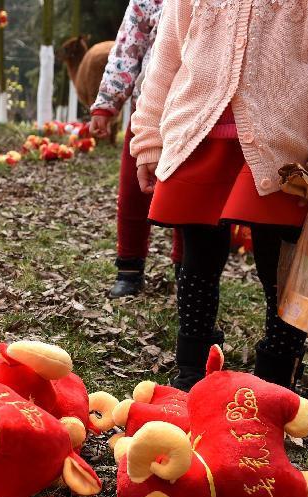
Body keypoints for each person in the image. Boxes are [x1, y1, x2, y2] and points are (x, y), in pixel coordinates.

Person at [130, 0, 308, 390]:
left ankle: (278, 367)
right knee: (198, 254)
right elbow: (166, 59)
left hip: (282, 146)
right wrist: (149, 136)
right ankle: (193, 362)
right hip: (196, 137)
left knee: (279, 262)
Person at [90, 0, 182, 298]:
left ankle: (188, 270)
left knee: (191, 194)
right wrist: (107, 103)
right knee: (133, 191)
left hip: (197, 112)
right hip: (148, 110)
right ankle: (129, 267)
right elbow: (128, 46)